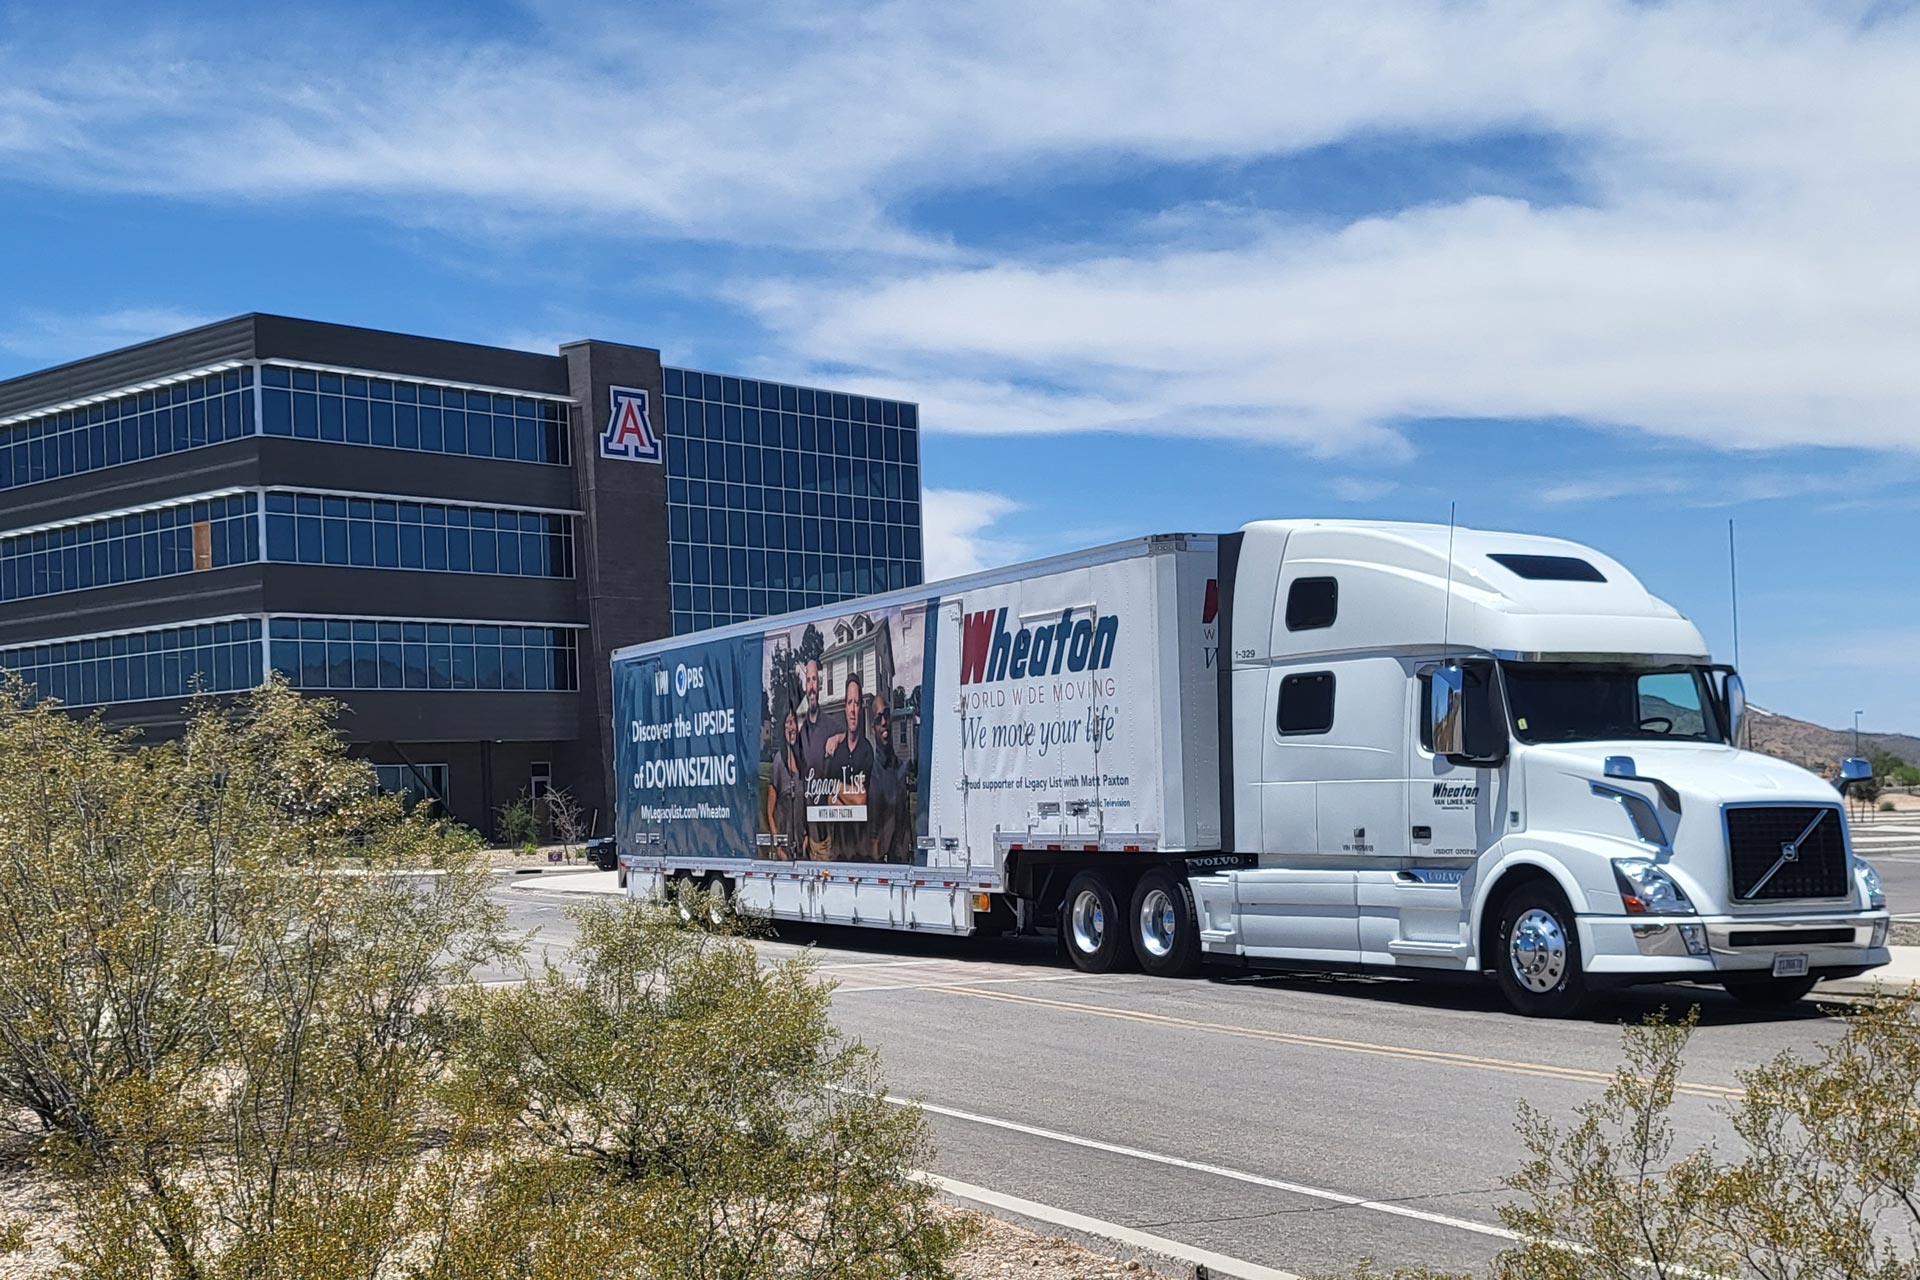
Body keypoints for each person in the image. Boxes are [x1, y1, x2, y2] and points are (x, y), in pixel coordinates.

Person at [823, 674, 875, 861]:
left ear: (861, 708)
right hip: (838, 850)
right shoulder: (837, 751)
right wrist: (847, 796)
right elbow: (829, 799)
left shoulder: (867, 750)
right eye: (849, 702)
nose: (853, 709)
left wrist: (838, 790)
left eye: (857, 703)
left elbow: (862, 801)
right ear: (844, 707)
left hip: (860, 851)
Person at [794, 657, 834, 858]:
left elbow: (851, 736)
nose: (811, 686)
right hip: (805, 833)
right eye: (808, 680)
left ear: (820, 685)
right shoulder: (799, 726)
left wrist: (837, 738)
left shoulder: (829, 724)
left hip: (824, 835)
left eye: (814, 681)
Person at [866, 693, 911, 864]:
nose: (884, 722)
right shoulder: (871, 774)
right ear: (873, 728)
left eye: (886, 715)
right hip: (881, 866)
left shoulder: (901, 769)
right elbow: (872, 834)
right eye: (878, 719)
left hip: (903, 863)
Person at [765, 705, 805, 859]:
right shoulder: (778, 762)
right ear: (782, 728)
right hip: (785, 849)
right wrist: (778, 847)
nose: (791, 727)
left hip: (801, 848)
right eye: (787, 723)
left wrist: (806, 838)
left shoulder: (802, 761)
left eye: (793, 722)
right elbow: (770, 811)